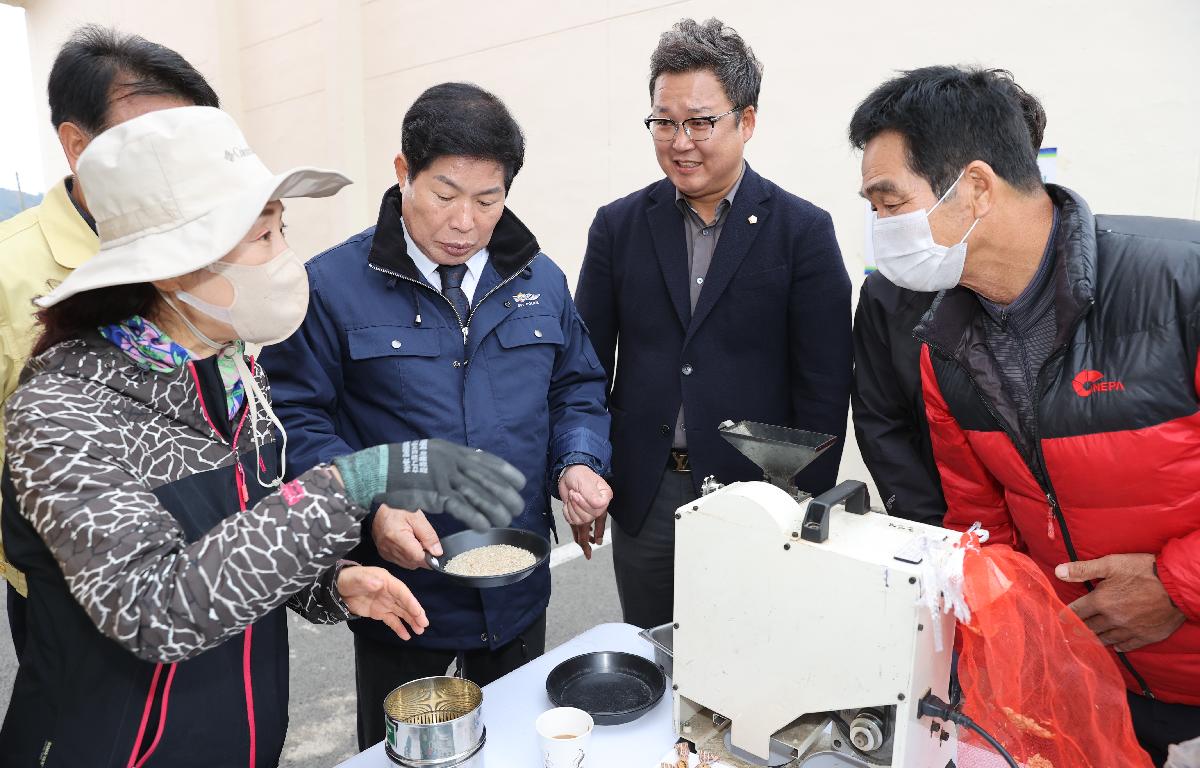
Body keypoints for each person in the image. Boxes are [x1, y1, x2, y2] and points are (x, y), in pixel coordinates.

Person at [1, 105, 526, 767]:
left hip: (243, 741)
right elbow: (153, 606)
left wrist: (332, 583)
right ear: (171, 266)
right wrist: (354, 480)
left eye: (282, 230)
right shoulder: (66, 408)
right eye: (261, 238)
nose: (285, 259)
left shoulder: (231, 370)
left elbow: (246, 535)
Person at [850, 65, 1200, 765]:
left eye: (890, 203)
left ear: (975, 188)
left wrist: (1175, 586)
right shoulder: (944, 348)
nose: (880, 228)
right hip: (1094, 674)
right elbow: (981, 527)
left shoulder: (1179, 286)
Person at [261, 82, 612, 749]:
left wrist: (579, 461)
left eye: (489, 200)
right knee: (405, 756)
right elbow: (296, 423)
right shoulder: (330, 287)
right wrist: (371, 505)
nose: (466, 222)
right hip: (402, 595)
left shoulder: (542, 283)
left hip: (515, 584)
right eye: (446, 195)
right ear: (403, 174)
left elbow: (578, 388)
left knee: (517, 748)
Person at [574, 18, 852, 629]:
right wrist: (585, 464)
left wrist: (797, 501)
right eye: (664, 122)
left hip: (757, 495)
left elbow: (825, 386)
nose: (680, 141)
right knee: (653, 653)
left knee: (746, 658)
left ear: (746, 121)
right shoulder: (618, 227)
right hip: (645, 494)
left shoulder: (802, 231)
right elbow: (583, 367)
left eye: (700, 121)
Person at [0, 25, 219, 658]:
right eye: (151, 147)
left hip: (214, 566)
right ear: (76, 145)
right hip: (69, 586)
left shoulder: (205, 249)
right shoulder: (12, 272)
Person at [851, 71, 1049, 526]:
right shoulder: (889, 295)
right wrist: (936, 531)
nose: (883, 222)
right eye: (875, 207)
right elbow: (882, 421)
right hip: (950, 532)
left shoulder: (1086, 288)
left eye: (892, 203)